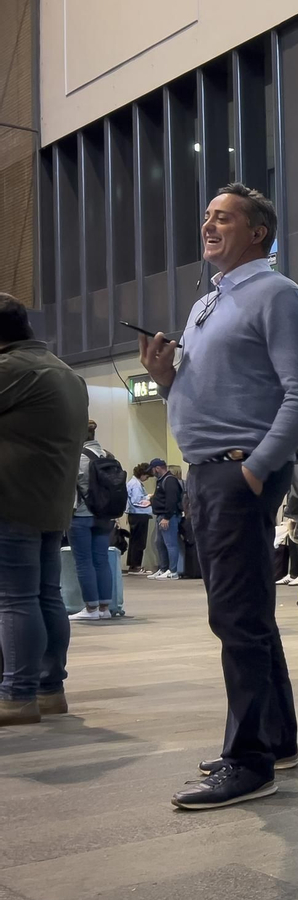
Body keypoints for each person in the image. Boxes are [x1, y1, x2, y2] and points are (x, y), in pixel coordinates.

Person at [139, 182, 298, 809]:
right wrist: (165, 379)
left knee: (236, 618)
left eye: (224, 217)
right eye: (207, 216)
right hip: (210, 472)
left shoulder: (276, 293)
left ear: (257, 232)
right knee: (250, 614)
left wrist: (258, 469)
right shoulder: (208, 303)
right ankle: (275, 741)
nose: (209, 225)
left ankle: (249, 762)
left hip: (237, 472)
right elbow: (209, 394)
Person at [0, 294, 88, 725]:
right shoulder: (66, 372)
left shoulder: (12, 368)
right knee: (45, 595)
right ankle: (50, 690)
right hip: (51, 503)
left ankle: (16, 696)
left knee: (14, 599)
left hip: (11, 500)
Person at [68, 421, 117, 622]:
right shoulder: (106, 456)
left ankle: (91, 608)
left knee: (84, 562)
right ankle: (105, 607)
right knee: (101, 560)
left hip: (81, 515)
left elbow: (68, 486)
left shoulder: (77, 457)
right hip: (104, 516)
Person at [148, 458, 184, 579]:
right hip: (161, 515)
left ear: (157, 468)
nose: (152, 472)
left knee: (170, 544)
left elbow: (171, 500)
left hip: (168, 516)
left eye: (152, 469)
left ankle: (173, 571)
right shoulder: (162, 480)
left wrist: (167, 517)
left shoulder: (169, 481)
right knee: (159, 543)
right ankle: (163, 568)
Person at [125, 463, 154, 574]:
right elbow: (137, 501)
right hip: (139, 515)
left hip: (134, 515)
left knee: (134, 541)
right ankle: (136, 566)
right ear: (142, 474)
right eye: (147, 476)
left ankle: (133, 565)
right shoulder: (136, 485)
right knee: (139, 542)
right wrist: (149, 498)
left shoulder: (132, 483)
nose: (147, 479)